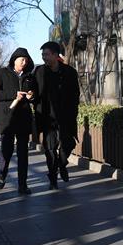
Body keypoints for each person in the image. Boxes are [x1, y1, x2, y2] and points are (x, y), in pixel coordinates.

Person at [33, 41, 80, 190]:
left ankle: (61, 164)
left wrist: (73, 110)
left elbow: (75, 94)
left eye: (46, 54)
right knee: (50, 148)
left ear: (55, 55)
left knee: (68, 143)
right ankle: (53, 177)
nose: (44, 57)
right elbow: (34, 91)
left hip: (66, 115)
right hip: (47, 117)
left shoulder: (70, 72)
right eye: (42, 55)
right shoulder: (39, 72)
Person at [0, 48, 38, 195]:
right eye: (21, 59)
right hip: (7, 118)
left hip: (24, 119)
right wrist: (13, 95)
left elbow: (36, 94)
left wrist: (32, 96)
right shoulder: (2, 72)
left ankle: (22, 185)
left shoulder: (30, 76)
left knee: (23, 153)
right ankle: (2, 174)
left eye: (26, 60)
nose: (24, 62)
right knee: (7, 150)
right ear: (14, 59)